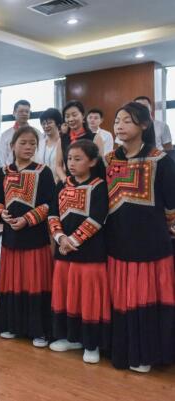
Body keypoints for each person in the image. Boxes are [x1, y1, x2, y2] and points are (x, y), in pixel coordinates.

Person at [105, 102, 175, 373]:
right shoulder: (109, 160)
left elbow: (171, 207)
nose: (120, 126)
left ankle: (146, 353)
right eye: (117, 121)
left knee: (145, 298)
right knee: (121, 297)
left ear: (144, 126)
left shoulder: (161, 160)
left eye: (127, 121)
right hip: (117, 241)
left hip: (150, 244)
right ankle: (122, 351)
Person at [48, 139, 110, 364]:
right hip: (65, 253)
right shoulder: (62, 185)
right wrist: (60, 237)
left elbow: (98, 218)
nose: (71, 164)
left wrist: (72, 239)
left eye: (78, 159)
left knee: (88, 298)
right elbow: (53, 214)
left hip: (90, 253)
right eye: (69, 159)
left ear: (92, 161)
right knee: (66, 295)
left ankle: (91, 343)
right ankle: (70, 336)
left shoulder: (99, 185)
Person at [0, 126, 55, 347]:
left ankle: (39, 331)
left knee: (35, 281)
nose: (28, 147)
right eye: (23, 143)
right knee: (12, 281)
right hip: (10, 236)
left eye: (33, 144)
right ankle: (12, 325)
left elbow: (50, 203)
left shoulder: (43, 171)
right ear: (12, 146)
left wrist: (28, 219)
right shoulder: (2, 171)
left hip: (35, 236)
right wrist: (2, 213)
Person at [55, 101, 104, 183]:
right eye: (67, 116)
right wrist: (65, 180)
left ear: (83, 115)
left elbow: (99, 165)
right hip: (69, 184)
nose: (70, 119)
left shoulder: (95, 138)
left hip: (91, 184)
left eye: (74, 115)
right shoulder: (62, 139)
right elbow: (58, 165)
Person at [0, 100, 39, 165]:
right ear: (14, 113)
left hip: (33, 170)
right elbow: (2, 157)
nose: (24, 114)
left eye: (27, 112)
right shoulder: (5, 135)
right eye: (21, 111)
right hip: (11, 171)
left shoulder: (37, 132)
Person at [37, 108, 62, 182]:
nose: (46, 126)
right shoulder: (40, 144)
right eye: (43, 123)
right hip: (41, 183)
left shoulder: (64, 142)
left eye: (49, 122)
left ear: (58, 123)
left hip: (59, 183)